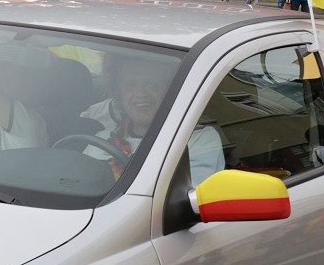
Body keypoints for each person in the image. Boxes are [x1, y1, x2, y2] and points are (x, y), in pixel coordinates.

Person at [82, 56, 222, 184]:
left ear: (169, 91)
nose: (141, 93)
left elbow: (184, 198)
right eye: (131, 85)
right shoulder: (100, 140)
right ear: (120, 93)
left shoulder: (199, 139)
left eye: (151, 84)